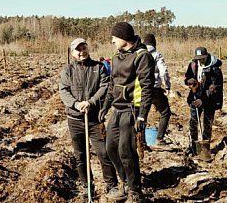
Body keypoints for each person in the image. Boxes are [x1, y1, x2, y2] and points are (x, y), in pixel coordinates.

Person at [100, 22, 155, 203]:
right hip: (117, 109)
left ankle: (135, 191)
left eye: (115, 37)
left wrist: (142, 115)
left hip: (132, 110)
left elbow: (147, 88)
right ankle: (124, 183)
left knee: (127, 151)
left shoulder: (142, 56)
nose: (112, 40)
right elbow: (111, 85)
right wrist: (105, 107)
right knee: (110, 148)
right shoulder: (116, 57)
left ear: (124, 38)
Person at [59, 37, 117, 200]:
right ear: (72, 53)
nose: (82, 52)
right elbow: (63, 91)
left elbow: (105, 86)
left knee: (104, 152)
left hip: (94, 119)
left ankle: (111, 185)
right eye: (78, 49)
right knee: (81, 155)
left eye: (84, 48)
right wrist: (76, 104)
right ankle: (87, 185)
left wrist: (91, 102)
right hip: (75, 119)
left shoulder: (98, 68)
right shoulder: (67, 70)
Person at [183, 47, 223, 160]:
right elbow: (187, 77)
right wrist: (189, 81)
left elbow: (214, 88)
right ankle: (193, 147)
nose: (200, 61)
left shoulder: (215, 69)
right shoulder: (193, 65)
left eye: (202, 59)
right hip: (195, 98)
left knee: (207, 124)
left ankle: (205, 149)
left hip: (210, 101)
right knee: (193, 122)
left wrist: (203, 100)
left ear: (207, 56)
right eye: (198, 59)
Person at [143, 33, 171, 146]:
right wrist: (167, 86)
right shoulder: (157, 55)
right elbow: (163, 72)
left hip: (141, 89)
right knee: (165, 112)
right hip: (154, 89)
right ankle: (159, 139)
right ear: (154, 44)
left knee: (141, 115)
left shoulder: (138, 54)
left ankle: (140, 141)